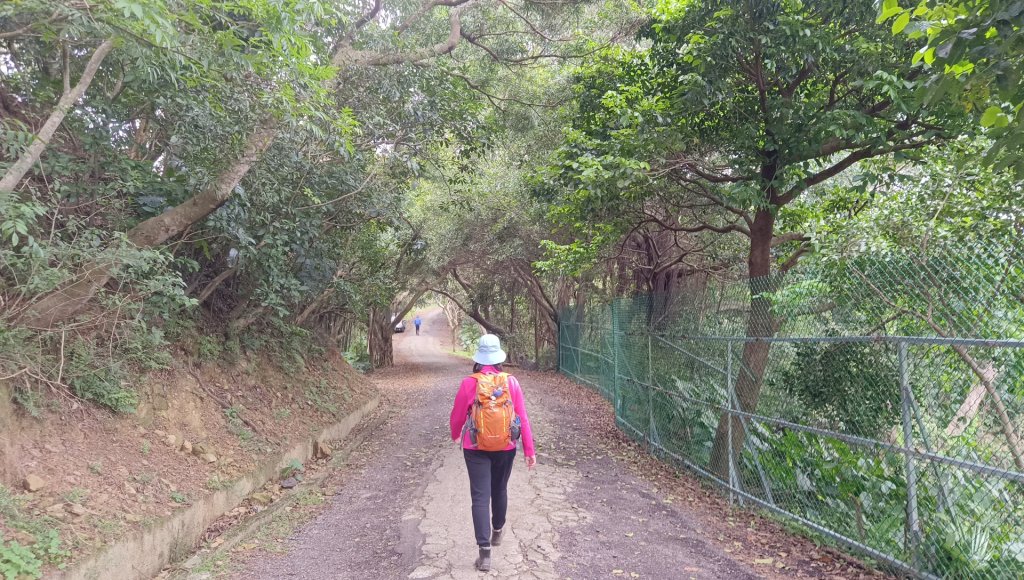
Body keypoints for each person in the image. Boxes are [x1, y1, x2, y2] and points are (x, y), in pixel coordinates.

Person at [449, 334, 536, 572]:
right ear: (499, 357)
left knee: (479, 496)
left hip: (475, 445)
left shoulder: (470, 382)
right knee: (499, 489)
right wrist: (529, 450)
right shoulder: (511, 382)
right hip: (506, 446)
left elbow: (457, 415)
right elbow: (522, 418)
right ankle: (498, 529)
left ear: (478, 357)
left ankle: (484, 555)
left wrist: (456, 433)